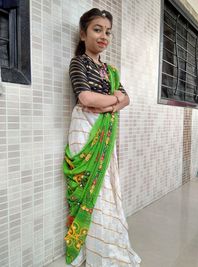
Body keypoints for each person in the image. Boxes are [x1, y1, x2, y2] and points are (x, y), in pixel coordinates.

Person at [63, 8, 141, 267]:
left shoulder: (111, 70)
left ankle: (107, 248)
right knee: (90, 191)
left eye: (107, 31)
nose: (103, 35)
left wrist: (106, 104)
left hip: (104, 134)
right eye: (97, 29)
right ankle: (90, 250)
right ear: (83, 33)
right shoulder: (79, 63)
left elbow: (126, 99)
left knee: (106, 191)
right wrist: (114, 101)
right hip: (85, 132)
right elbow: (85, 98)